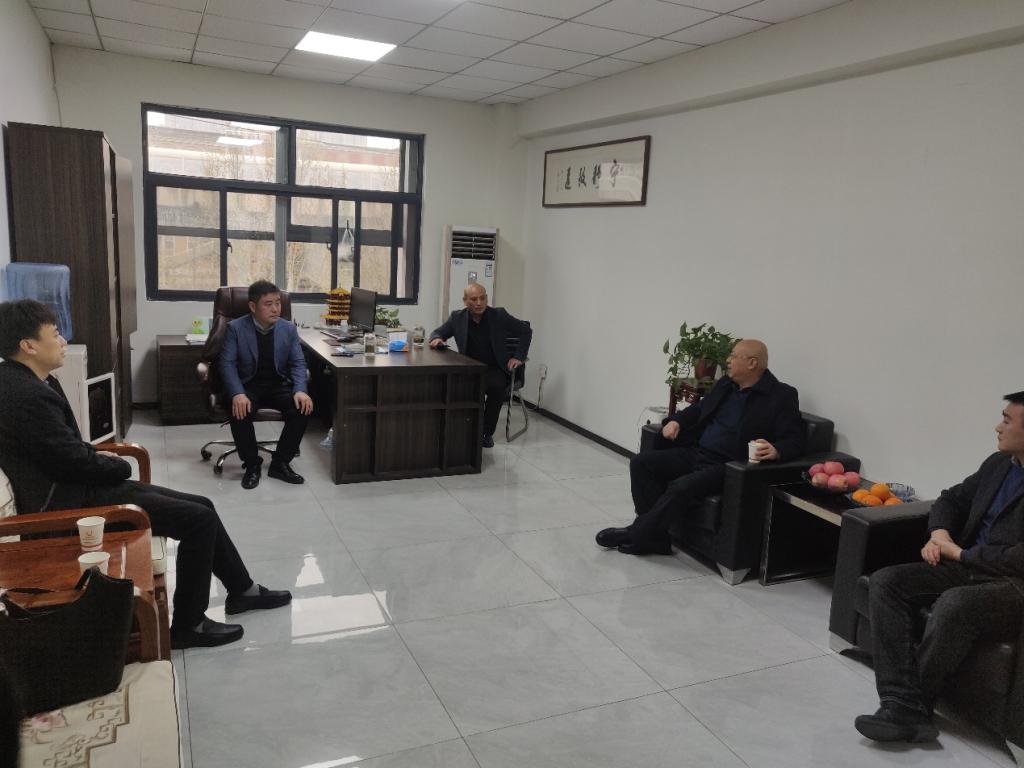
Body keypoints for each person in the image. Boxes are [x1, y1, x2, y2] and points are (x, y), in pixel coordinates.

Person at [0, 300, 292, 649]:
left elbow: (67, 451)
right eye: (55, 334)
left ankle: (242, 591)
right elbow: (72, 460)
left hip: (78, 486)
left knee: (203, 505)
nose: (63, 341)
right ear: (29, 346)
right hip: (70, 506)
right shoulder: (27, 396)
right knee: (197, 520)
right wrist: (120, 466)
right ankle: (189, 625)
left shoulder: (33, 381)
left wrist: (101, 462)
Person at [854, 392, 1024, 744]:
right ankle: (901, 701)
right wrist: (940, 533)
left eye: (1007, 420)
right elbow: (951, 498)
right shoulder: (999, 464)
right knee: (887, 581)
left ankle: (909, 708)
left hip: (1012, 584)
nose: (998, 427)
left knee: (954, 604)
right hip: (967, 563)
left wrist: (959, 554)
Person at [596, 339, 805, 555]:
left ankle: (637, 533)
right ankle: (655, 539)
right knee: (641, 463)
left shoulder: (781, 396)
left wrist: (776, 450)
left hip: (728, 466)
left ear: (752, 363)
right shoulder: (726, 384)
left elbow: (795, 439)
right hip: (697, 452)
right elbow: (699, 409)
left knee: (681, 486)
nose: (728, 360)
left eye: (733, 356)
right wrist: (676, 421)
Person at [221, 280, 313, 490]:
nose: (275, 309)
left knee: (302, 408)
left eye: (278, 303)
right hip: (248, 385)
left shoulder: (288, 329)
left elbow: (298, 363)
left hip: (278, 384)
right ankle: (252, 464)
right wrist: (237, 393)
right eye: (268, 304)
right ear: (253, 306)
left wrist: (300, 390)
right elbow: (227, 364)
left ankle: (280, 463)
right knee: (239, 410)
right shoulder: (235, 328)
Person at [430, 283, 532, 448]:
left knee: (496, 387)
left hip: (495, 368)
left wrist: (518, 357)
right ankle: (463, 430)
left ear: (486, 298)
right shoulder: (457, 317)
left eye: (482, 298)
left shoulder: (499, 315)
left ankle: (486, 433)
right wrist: (437, 339)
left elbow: (526, 331)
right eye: (473, 299)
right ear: (465, 301)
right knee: (454, 386)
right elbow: (438, 332)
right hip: (469, 369)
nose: (479, 303)